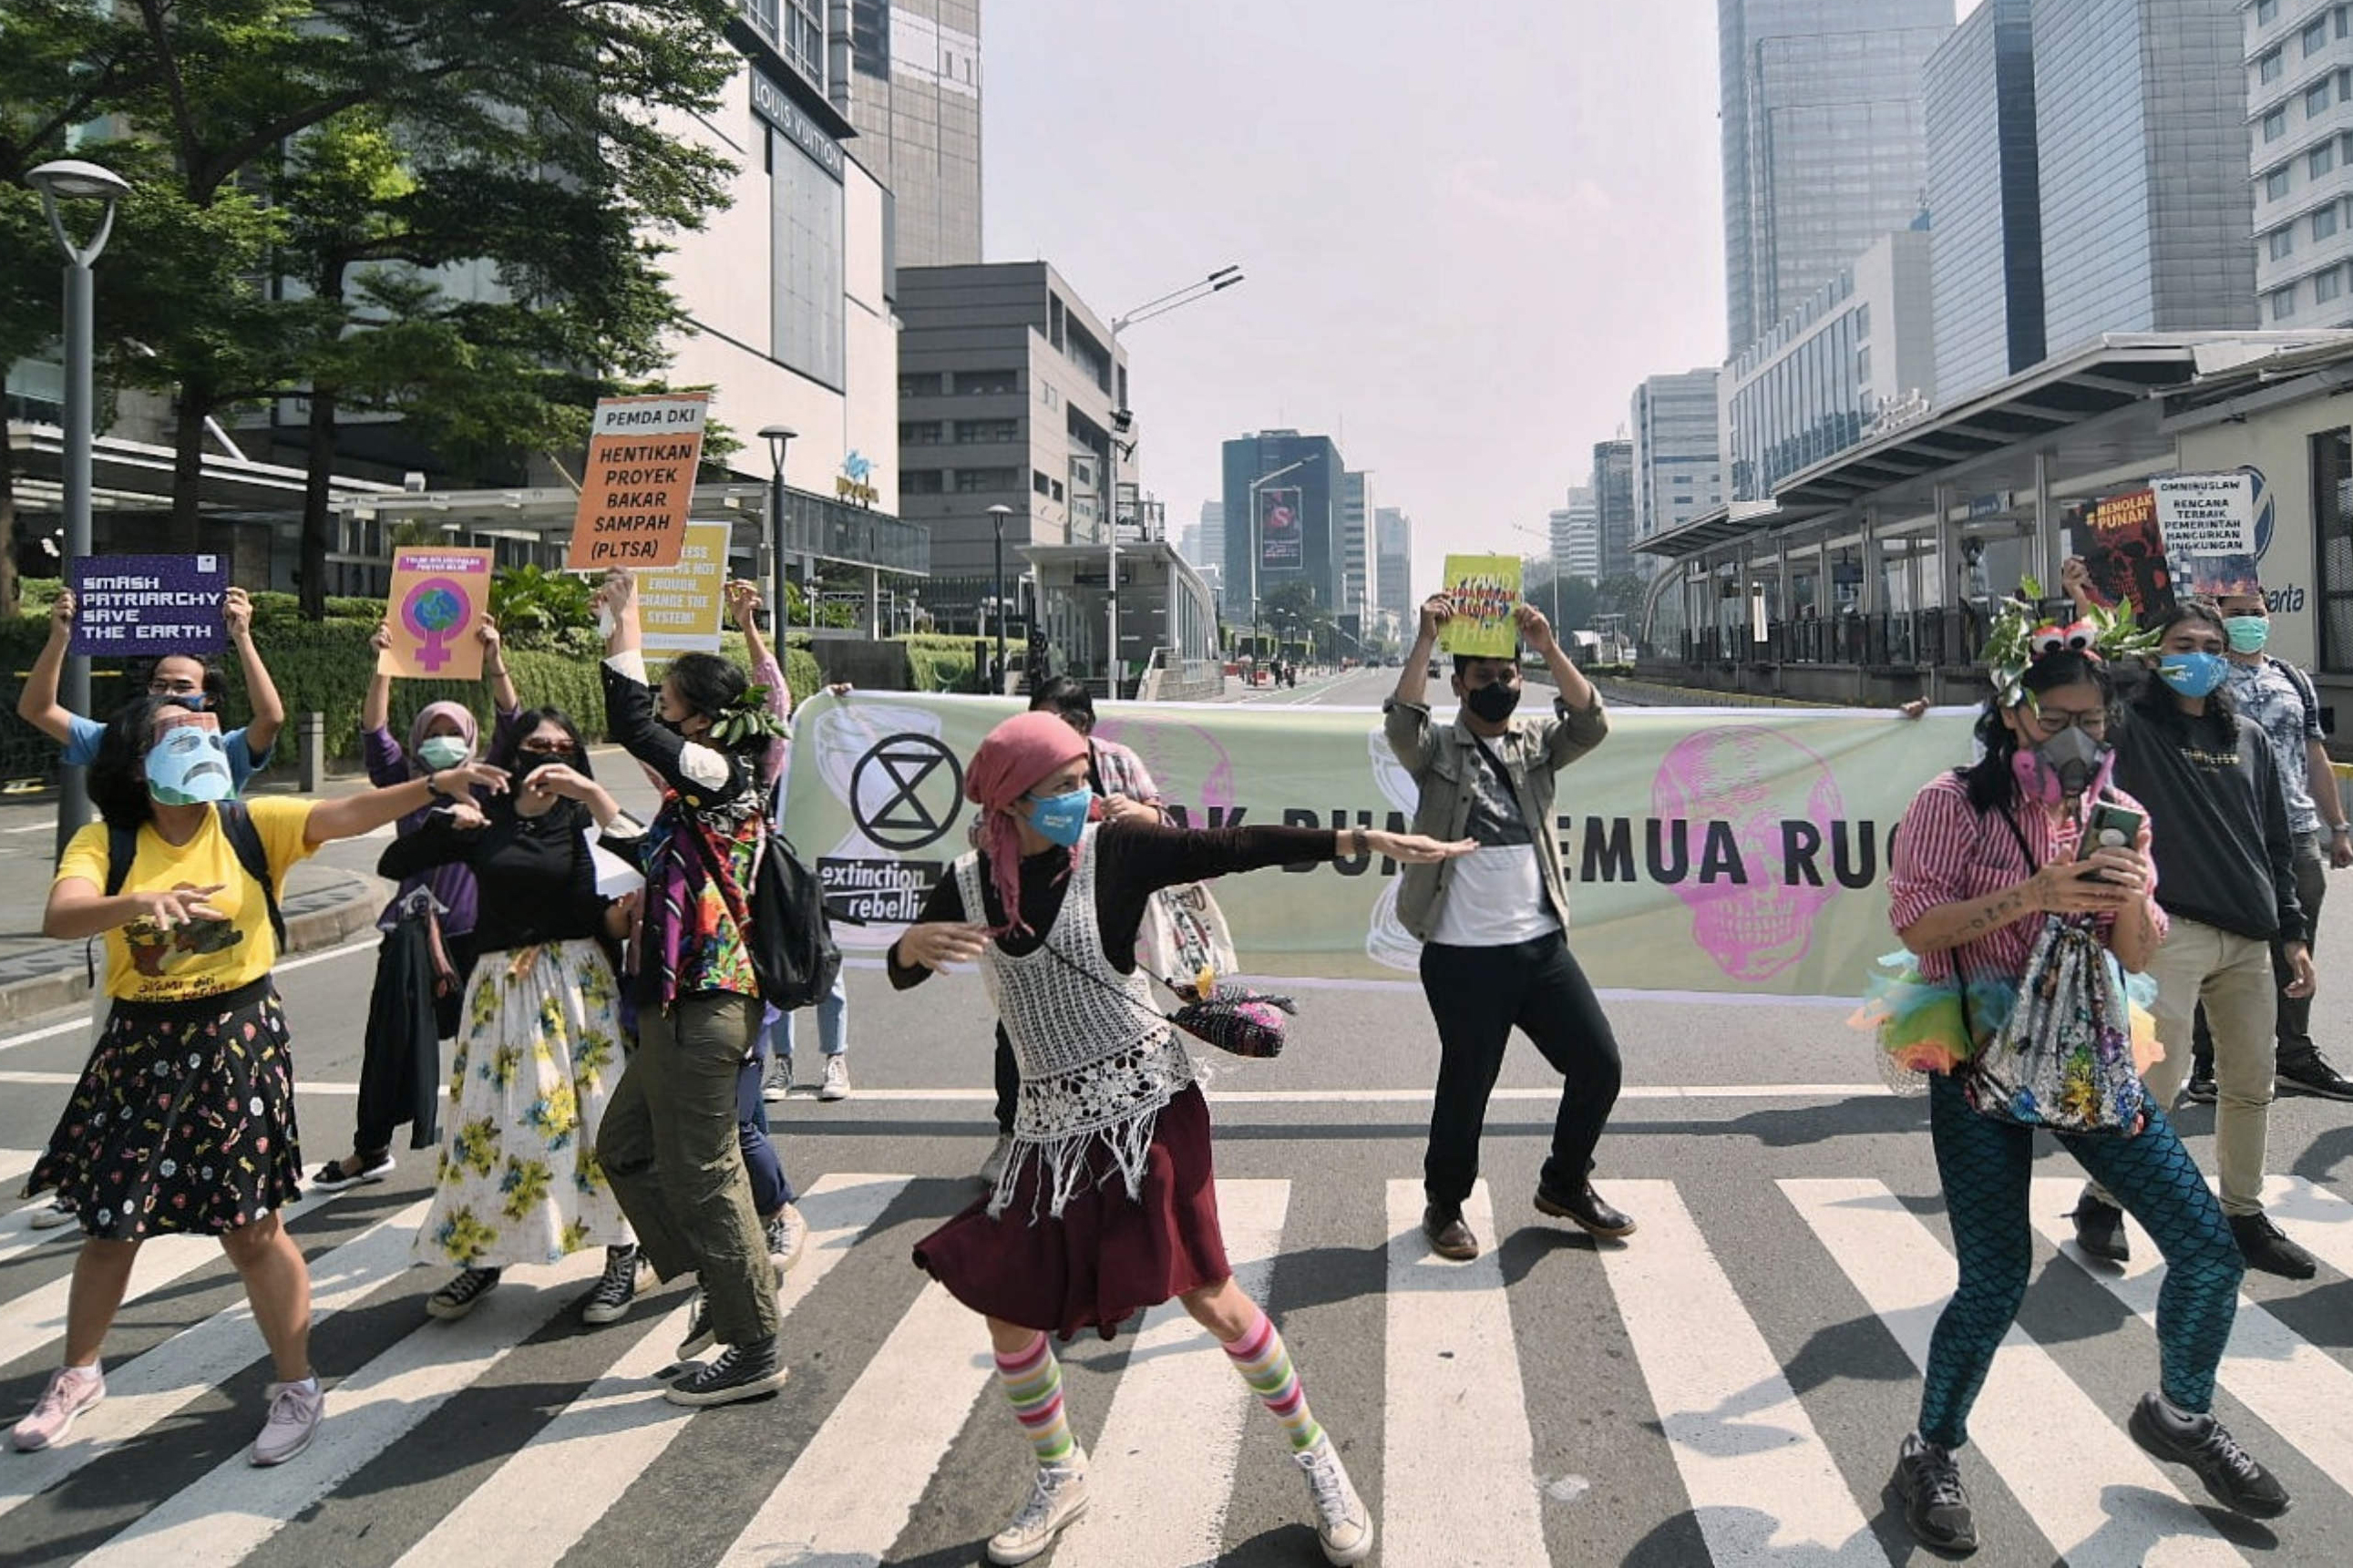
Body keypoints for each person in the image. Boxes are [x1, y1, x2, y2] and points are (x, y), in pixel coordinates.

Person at [890, 710, 1472, 1565]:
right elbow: (903, 971)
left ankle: (1319, 1460)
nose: (1083, 797)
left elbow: (1232, 847)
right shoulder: (971, 883)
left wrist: (1361, 839)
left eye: (1084, 780)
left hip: (1149, 1109)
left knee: (1210, 1295)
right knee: (1009, 1310)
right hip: (1051, 1133)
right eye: (1060, 787)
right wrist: (909, 944)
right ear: (1010, 800)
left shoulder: (1117, 850)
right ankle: (1061, 1471)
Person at [11, 696, 508, 1462]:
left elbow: (348, 813)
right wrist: (136, 901)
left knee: (252, 1228)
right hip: (140, 1046)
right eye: (178, 735)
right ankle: (78, 1372)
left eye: (206, 733)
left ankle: (297, 1384)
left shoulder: (249, 824)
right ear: (139, 763)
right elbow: (63, 913)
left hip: (235, 1040)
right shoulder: (106, 840)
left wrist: (435, 785)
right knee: (112, 1224)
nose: (202, 743)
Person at [1877, 628, 2285, 1555]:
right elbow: (1917, 924)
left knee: (2207, 1249)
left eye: (2092, 720)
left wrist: (2129, 892)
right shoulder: (1952, 802)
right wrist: (2035, 892)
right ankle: (1929, 1451)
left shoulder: (2119, 811)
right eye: (2055, 717)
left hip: (2086, 1055)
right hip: (1979, 1054)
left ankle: (2179, 1416)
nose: (2075, 737)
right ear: (2012, 711)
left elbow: (2136, 951)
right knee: (1993, 1278)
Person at [2052, 578, 2318, 1279]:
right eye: (2181, 645)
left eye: (2210, 647)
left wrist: (2292, 934)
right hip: (2170, 931)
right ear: (2155, 654)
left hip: (2250, 935)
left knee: (2251, 1080)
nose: (2198, 657)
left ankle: (2244, 1214)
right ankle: (2103, 1199)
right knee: (2158, 1083)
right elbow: (2073, 697)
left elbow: (2276, 843)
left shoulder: (2249, 738)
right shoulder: (2130, 728)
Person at [589, 567, 792, 1409]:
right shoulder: (694, 797)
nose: (661, 712)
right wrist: (589, 802)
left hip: (709, 997)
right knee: (625, 1147)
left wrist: (628, 612)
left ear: (701, 718)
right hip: (675, 999)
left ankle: (753, 1343)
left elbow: (628, 720)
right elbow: (649, 851)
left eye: (672, 701)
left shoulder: (724, 772)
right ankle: (720, 1276)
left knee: (706, 1171)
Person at [376, 707, 647, 1326]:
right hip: (501, 990)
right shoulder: (486, 817)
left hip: (577, 986)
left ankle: (624, 1251)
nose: (549, 755)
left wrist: (591, 793)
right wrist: (446, 824)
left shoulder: (581, 819)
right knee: (490, 1126)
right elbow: (395, 864)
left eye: (562, 746)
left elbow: (641, 856)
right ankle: (484, 1252)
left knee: (597, 1121)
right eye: (536, 744)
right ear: (515, 751)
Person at [1384, 593, 1627, 1261]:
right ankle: (1445, 1204)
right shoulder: (1438, 749)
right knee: (1468, 1084)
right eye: (1484, 676)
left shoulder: (1538, 743)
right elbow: (1402, 724)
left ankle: (1565, 1181)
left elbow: (1591, 721)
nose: (1499, 685)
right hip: (1462, 954)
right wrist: (1426, 639)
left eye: (1508, 675)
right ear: (1459, 684)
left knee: (1599, 1065)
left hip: (1540, 948)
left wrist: (1547, 646)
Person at [313, 618, 522, 1191]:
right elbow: (373, 731)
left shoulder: (488, 781)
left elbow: (512, 721)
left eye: (453, 730)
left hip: (477, 936)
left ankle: (490, 1144)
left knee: (488, 1044)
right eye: (433, 730)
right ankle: (370, 1149)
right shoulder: (403, 781)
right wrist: (383, 665)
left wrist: (494, 659)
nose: (443, 739)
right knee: (390, 1043)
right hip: (409, 935)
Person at [978, 677, 1166, 1186]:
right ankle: (1012, 1135)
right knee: (1018, 1030)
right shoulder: (1015, 764)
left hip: (1101, 921)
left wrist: (1136, 814)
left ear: (1083, 727)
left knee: (1116, 1028)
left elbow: (1163, 825)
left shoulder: (1120, 762)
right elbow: (980, 833)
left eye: (1055, 723)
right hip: (1031, 918)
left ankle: (1119, 1138)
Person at [2177, 586, 2353, 1104]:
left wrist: (2338, 827)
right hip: (2229, 833)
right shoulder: (2205, 677)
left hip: (2295, 832)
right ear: (2219, 619)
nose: (2250, 621)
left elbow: (2314, 754)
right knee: (2221, 944)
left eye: (2257, 613)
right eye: (2238, 614)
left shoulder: (2292, 679)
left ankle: (2294, 1053)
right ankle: (2208, 1061)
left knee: (2296, 946)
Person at [20, 585, 284, 788]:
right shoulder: (116, 741)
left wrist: (242, 638)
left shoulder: (225, 751)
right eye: (160, 685)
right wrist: (59, 638)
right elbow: (37, 710)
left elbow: (270, 718)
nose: (169, 695)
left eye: (183, 687)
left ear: (209, 698)